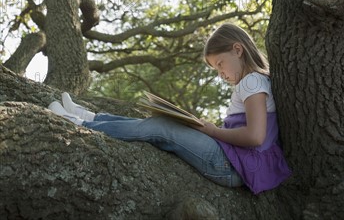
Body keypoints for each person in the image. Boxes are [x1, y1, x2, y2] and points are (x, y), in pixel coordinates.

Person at [48, 23, 292, 193]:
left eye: (220, 64)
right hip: (235, 160)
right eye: (216, 69)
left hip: (234, 167)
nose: (221, 74)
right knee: (162, 123)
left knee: (162, 127)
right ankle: (89, 115)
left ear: (237, 50)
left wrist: (212, 130)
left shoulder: (251, 81)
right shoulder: (253, 82)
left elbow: (255, 136)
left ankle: (80, 124)